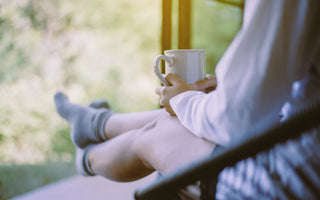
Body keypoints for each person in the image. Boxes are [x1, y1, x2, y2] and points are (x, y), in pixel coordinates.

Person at [54, 0, 320, 199]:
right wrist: (196, 100)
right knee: (175, 117)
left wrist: (185, 100)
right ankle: (93, 124)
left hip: (287, 182)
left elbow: (234, 118)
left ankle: (87, 155)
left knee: (155, 135)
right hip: (301, 154)